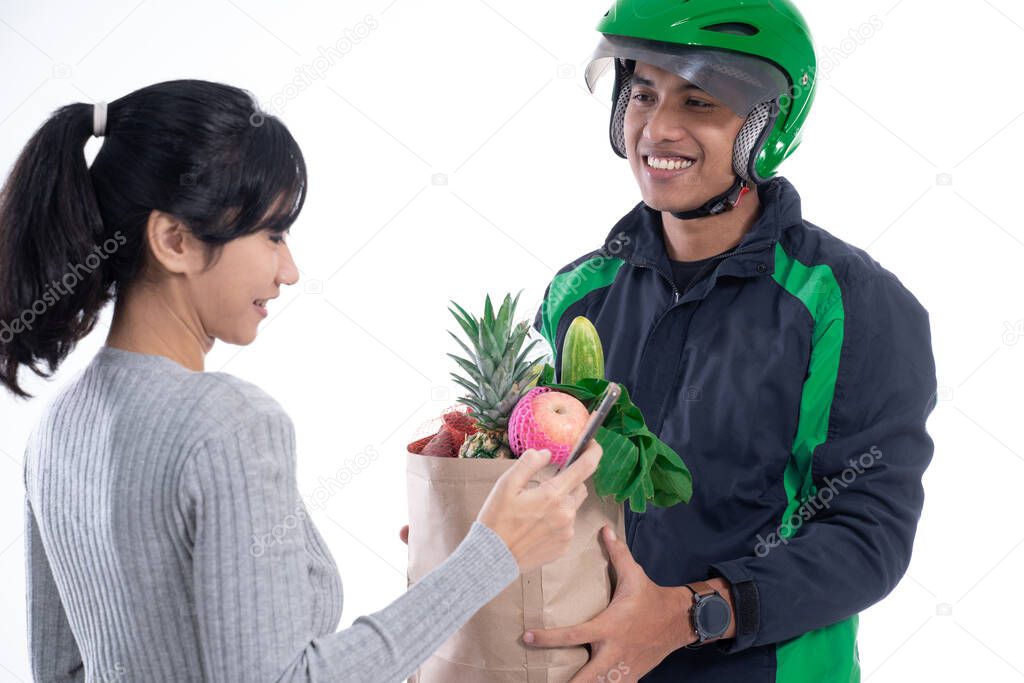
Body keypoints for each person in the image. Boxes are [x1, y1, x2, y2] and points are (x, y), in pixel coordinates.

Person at [0, 79, 602, 682]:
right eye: (273, 234)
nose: (289, 270)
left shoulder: (56, 429)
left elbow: (58, 672)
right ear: (173, 240)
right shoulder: (227, 421)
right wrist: (490, 555)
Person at [526, 1, 938, 681]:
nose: (657, 128)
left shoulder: (846, 303)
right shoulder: (580, 296)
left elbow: (870, 537)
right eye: (644, 93)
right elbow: (555, 475)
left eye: (699, 99)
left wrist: (693, 613)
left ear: (766, 126)